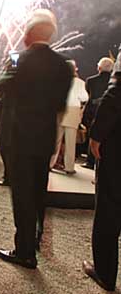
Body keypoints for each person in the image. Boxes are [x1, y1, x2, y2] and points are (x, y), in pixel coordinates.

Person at [0, 9, 72, 269]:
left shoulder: (18, 59)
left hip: (19, 137)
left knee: (23, 195)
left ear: (28, 34)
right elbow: (60, 104)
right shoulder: (63, 65)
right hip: (44, 137)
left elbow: (0, 87)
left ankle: (25, 250)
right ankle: (37, 237)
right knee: (39, 192)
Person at [82, 53, 121, 292]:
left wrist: (96, 137)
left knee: (109, 207)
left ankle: (105, 272)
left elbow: (115, 96)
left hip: (117, 151)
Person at [50, 60, 88, 174]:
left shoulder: (57, 80)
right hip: (73, 111)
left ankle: (50, 163)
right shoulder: (80, 82)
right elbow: (84, 98)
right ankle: (69, 167)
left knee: (55, 140)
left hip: (59, 110)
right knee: (70, 142)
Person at [82, 57, 115, 169]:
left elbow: (88, 97)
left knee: (93, 135)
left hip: (92, 111)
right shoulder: (113, 82)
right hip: (109, 112)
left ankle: (90, 161)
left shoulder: (90, 81)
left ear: (99, 67)